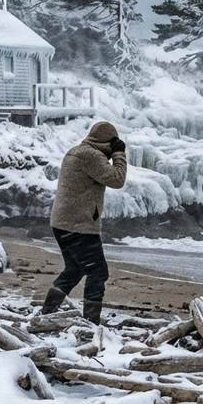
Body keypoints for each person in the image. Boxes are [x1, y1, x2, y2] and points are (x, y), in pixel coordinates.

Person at [40, 120, 128, 323]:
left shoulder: (76, 151)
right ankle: (91, 322)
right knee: (98, 272)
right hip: (78, 225)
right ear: (107, 142)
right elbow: (117, 179)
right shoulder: (91, 156)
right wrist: (119, 154)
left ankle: (47, 312)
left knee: (75, 269)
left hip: (62, 223)